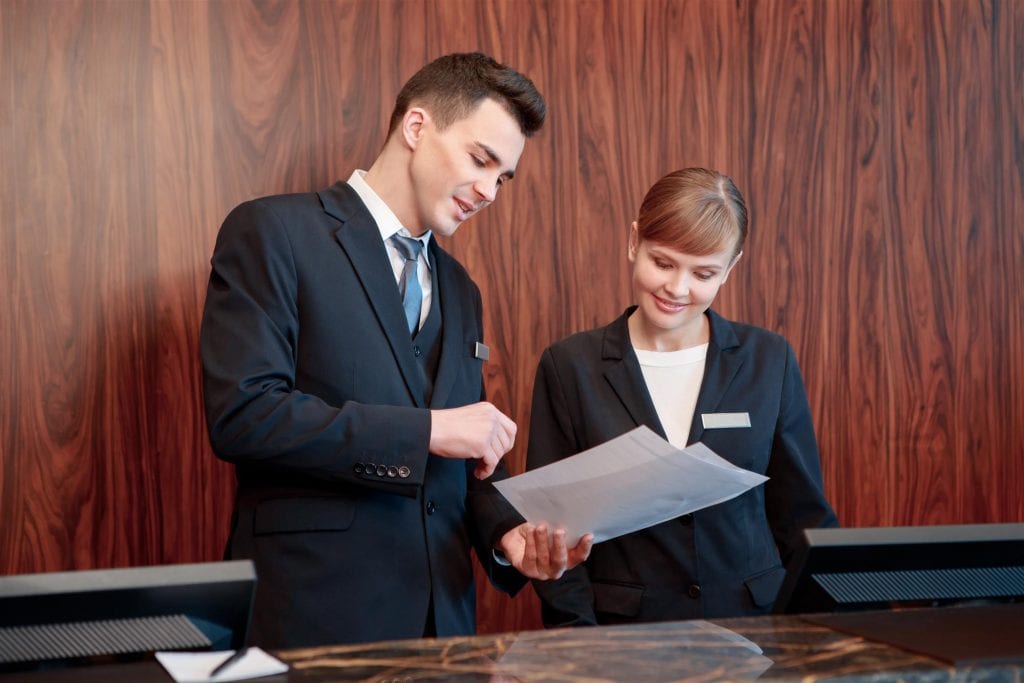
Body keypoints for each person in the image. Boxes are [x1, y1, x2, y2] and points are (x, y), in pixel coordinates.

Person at [200, 52, 591, 648]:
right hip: (313, 619)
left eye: (503, 177)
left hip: (443, 631)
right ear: (416, 127)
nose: (489, 191)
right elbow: (244, 416)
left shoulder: (462, 290)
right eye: (481, 160)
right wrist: (427, 430)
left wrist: (508, 536)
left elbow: (465, 456)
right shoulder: (274, 232)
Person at [526, 167, 838, 626]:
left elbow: (802, 518)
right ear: (634, 241)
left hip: (755, 630)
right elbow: (551, 532)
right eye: (663, 263)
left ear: (731, 268)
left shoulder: (768, 359)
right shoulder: (570, 366)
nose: (678, 289)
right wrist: (581, 649)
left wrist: (821, 641)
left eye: (704, 273)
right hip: (622, 639)